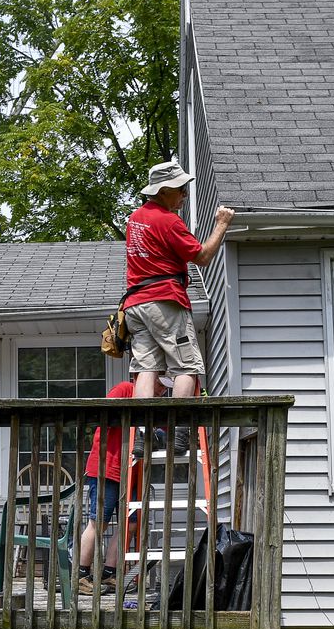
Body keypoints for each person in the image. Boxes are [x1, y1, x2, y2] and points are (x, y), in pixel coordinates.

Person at [123, 160, 233, 452]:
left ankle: (143, 436)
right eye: (181, 189)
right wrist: (222, 223)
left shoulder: (134, 219)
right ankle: (180, 433)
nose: (185, 194)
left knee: (146, 368)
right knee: (187, 365)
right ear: (164, 190)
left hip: (135, 304)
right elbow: (202, 256)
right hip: (165, 301)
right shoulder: (168, 220)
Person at [77, 380, 136, 595]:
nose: (161, 389)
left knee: (131, 523)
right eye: (158, 381)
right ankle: (81, 576)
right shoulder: (124, 389)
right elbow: (103, 414)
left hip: (131, 471)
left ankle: (108, 574)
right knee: (98, 522)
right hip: (106, 466)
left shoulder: (159, 399)